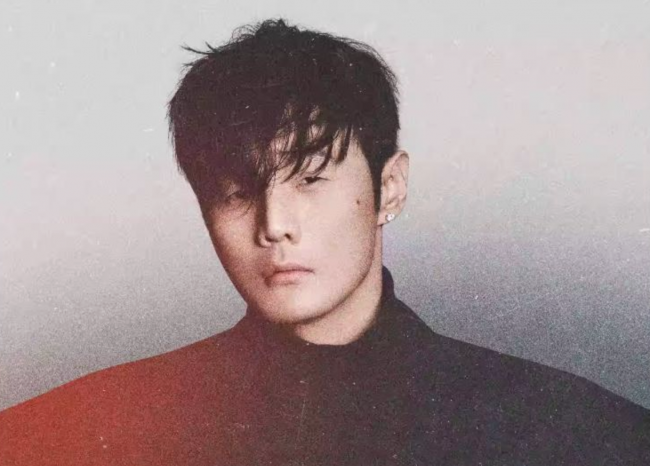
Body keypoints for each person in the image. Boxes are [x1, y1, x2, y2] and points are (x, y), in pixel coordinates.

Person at [1, 18, 648, 466]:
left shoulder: (581, 434)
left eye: (310, 179)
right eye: (235, 191)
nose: (274, 222)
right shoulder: (67, 434)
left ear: (389, 188)